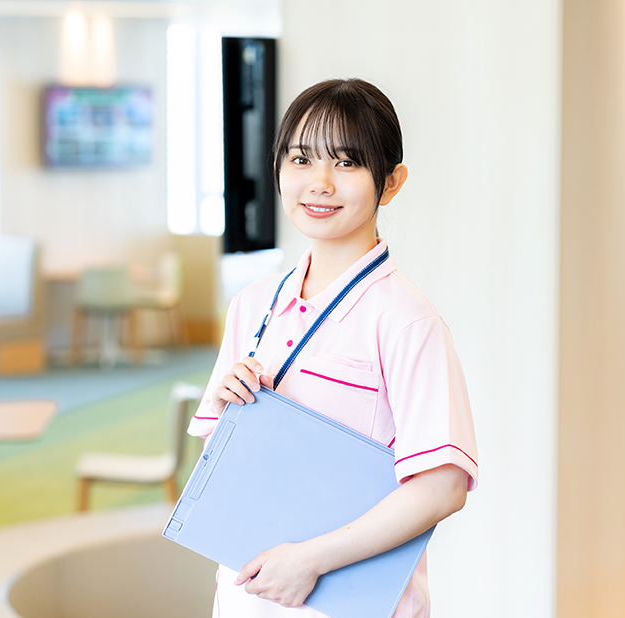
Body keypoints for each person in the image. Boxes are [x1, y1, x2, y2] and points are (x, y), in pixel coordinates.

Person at [187, 78, 479, 618]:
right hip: (247, 594)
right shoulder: (253, 305)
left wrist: (310, 561)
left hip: (347, 602)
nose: (319, 183)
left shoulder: (408, 320)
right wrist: (232, 413)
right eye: (301, 159)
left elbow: (442, 487)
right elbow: (213, 462)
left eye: (346, 163)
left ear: (390, 183)